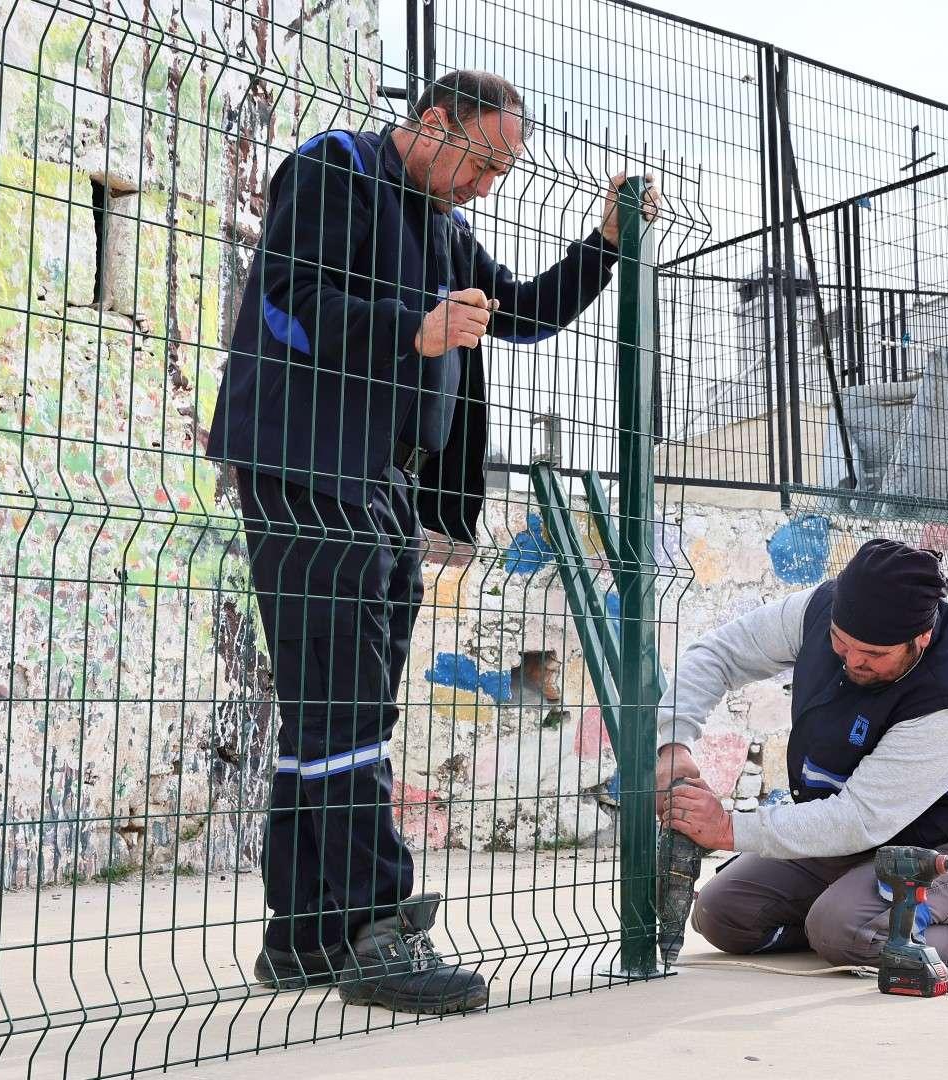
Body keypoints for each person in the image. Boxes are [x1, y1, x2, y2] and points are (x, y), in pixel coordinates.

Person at [206, 69, 658, 1015]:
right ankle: (378, 931)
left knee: (339, 710)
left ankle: (304, 936)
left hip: (384, 487)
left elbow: (523, 315)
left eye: (503, 169)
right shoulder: (337, 168)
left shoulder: (446, 230)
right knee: (342, 706)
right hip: (306, 466)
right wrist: (414, 331)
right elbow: (287, 299)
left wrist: (605, 245)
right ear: (431, 123)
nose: (487, 184)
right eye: (483, 160)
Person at [655, 539, 948, 969]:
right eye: (840, 641)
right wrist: (672, 744)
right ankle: (844, 915)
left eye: (874, 654)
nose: (851, 661)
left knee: (847, 934)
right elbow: (717, 654)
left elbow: (859, 818)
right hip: (853, 844)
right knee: (722, 915)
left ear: (921, 638)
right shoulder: (819, 609)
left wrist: (724, 828)